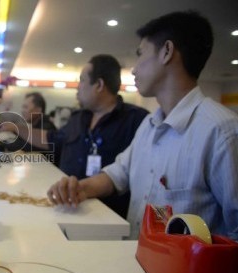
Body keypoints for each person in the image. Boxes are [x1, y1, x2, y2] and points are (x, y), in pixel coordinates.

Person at [47, 11, 238, 241]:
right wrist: (79, 188)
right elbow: (119, 173)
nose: (134, 69)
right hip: (136, 259)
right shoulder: (149, 125)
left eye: (140, 54)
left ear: (166, 52)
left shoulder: (221, 131)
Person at [1, 55, 148, 218]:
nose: (77, 88)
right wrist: (18, 129)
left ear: (99, 85)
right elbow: (51, 139)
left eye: (82, 80)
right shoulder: (78, 118)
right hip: (65, 209)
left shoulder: (138, 121)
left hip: (108, 221)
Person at [2, 92, 56, 157]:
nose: (22, 111)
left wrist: (0, 141)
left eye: (26, 107)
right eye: (23, 107)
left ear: (38, 110)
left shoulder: (46, 127)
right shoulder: (36, 125)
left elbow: (24, 146)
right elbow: (21, 140)